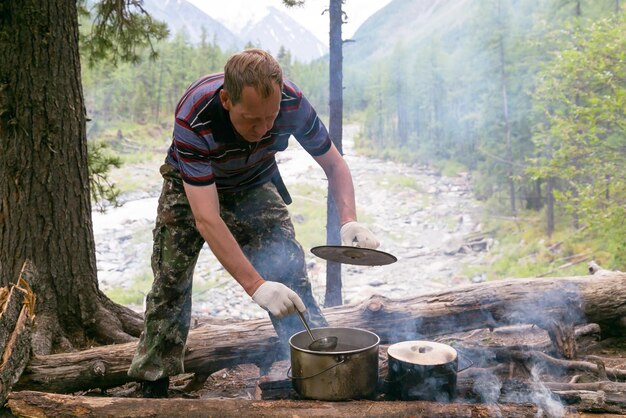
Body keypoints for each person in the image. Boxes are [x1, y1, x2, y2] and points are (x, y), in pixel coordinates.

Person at [127, 48, 380, 398]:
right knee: (171, 282)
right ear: (227, 100)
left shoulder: (292, 104)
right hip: (191, 191)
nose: (263, 130)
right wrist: (256, 285)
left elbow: (334, 164)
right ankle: (153, 381)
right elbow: (207, 217)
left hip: (254, 182)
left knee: (289, 270)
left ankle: (318, 366)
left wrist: (349, 221)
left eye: (270, 118)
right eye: (251, 120)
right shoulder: (194, 115)